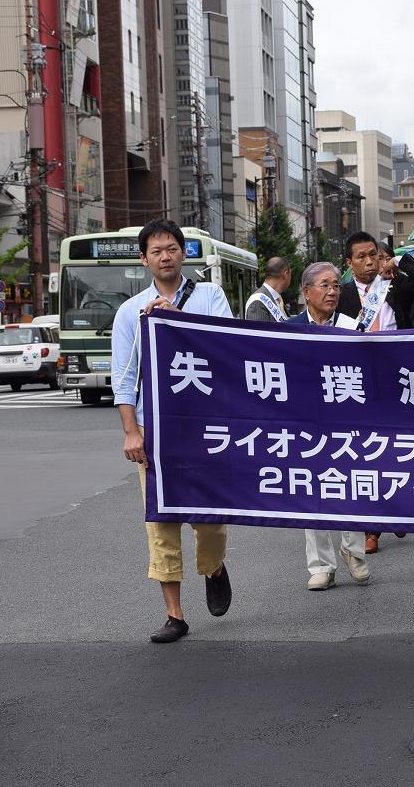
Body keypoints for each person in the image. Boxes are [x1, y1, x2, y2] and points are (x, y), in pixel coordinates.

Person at [112, 218, 235, 643]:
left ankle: (214, 568)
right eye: (156, 250)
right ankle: (175, 614)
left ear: (184, 253)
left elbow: (227, 348)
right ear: (144, 259)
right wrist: (132, 432)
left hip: (205, 428)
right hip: (155, 431)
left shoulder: (209, 295)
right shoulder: (130, 311)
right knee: (160, 521)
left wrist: (176, 320)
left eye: (172, 248)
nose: (165, 256)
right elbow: (124, 378)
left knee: (209, 519)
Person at [336, 230, 414, 553]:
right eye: (360, 257)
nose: (368, 262)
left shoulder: (395, 285)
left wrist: (397, 261)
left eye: (373, 255)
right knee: (366, 451)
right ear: (349, 263)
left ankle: (399, 506)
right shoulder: (343, 294)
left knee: (397, 448)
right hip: (359, 383)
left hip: (398, 378)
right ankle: (372, 528)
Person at [287, 262, 372, 590]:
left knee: (350, 486)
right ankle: (321, 565)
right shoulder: (289, 328)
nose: (333, 291)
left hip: (346, 422)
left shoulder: (352, 328)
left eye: (336, 285)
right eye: (324, 285)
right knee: (311, 490)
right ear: (307, 292)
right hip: (304, 423)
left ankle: (354, 552)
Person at [245, 257, 292, 322]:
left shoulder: (278, 300)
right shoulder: (257, 302)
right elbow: (259, 331)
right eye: (290, 275)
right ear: (285, 273)